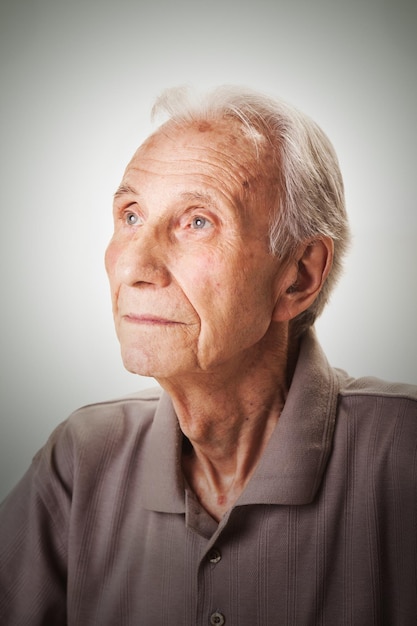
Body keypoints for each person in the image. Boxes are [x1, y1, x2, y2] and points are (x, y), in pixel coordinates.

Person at [1, 85, 416, 626]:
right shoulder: (81, 460)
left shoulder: (403, 455)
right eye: (130, 216)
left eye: (197, 221)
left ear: (299, 275)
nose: (135, 267)